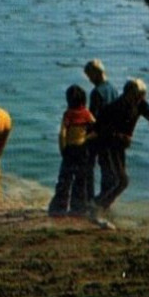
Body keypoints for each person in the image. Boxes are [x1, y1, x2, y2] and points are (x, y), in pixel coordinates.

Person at [88, 79, 149, 226]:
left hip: (118, 147)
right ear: (128, 93)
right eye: (139, 95)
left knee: (118, 181)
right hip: (107, 146)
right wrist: (120, 136)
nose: (142, 98)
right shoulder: (114, 107)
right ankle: (95, 207)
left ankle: (98, 207)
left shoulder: (140, 104)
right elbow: (98, 129)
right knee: (121, 181)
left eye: (142, 95)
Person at [49, 84, 97, 216]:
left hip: (69, 150)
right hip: (82, 149)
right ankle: (78, 208)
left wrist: (62, 149)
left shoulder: (68, 114)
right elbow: (96, 128)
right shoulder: (87, 114)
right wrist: (86, 137)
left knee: (64, 179)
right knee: (80, 180)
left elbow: (62, 134)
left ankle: (59, 207)